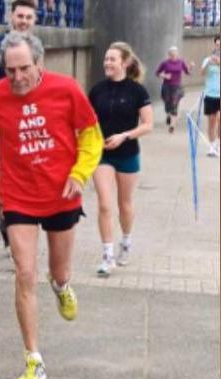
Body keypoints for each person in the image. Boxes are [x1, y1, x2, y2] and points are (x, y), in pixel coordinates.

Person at [0, 31, 103, 379]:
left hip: (62, 193)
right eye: (10, 70)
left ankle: (61, 286)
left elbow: (91, 135)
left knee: (58, 270)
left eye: (24, 68)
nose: (17, 77)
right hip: (17, 196)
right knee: (24, 271)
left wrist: (80, 174)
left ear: (39, 63)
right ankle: (33, 360)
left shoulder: (67, 89)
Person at [89, 42, 154, 277]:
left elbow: (148, 125)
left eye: (112, 59)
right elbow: (87, 121)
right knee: (105, 204)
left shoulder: (137, 91)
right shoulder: (97, 90)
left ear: (124, 63)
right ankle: (107, 256)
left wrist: (124, 136)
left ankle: (125, 242)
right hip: (102, 154)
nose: (107, 63)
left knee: (124, 204)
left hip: (127, 154)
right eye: (106, 59)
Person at [0, 0, 38, 256]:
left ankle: (19, 226)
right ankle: (8, 227)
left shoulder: (35, 48)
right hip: (3, 124)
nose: (23, 21)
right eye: (20, 16)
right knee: (2, 176)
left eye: (28, 17)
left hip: (30, 121)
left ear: (34, 20)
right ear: (11, 16)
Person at [155, 46, 194, 133]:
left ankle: (172, 126)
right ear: (168, 55)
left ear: (177, 54)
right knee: (167, 104)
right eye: (171, 55)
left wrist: (190, 67)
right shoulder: (164, 63)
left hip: (177, 87)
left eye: (175, 54)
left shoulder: (181, 62)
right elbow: (157, 73)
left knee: (174, 104)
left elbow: (187, 72)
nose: (173, 56)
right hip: (166, 86)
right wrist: (164, 76)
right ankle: (168, 114)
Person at [201, 35, 220, 157]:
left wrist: (219, 63)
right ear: (214, 45)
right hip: (210, 93)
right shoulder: (207, 59)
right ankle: (212, 146)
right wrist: (209, 63)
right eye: (217, 44)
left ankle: (219, 143)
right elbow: (202, 73)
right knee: (211, 121)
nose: (219, 46)